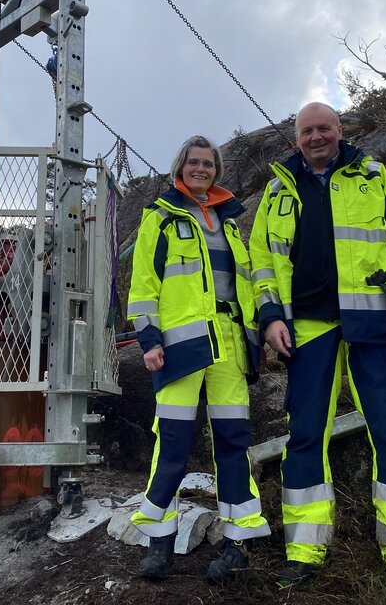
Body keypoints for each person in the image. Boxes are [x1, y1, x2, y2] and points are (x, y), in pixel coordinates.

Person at [249, 103, 386, 603]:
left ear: (339, 131)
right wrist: (271, 319)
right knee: (305, 435)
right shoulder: (278, 190)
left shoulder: (373, 176)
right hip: (306, 328)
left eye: (323, 128)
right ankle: (304, 553)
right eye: (307, 131)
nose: (316, 137)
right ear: (296, 139)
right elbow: (261, 262)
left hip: (376, 323)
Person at [127, 135, 270, 584]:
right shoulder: (161, 218)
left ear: (217, 170)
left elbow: (244, 287)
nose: (201, 169)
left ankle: (237, 543)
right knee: (171, 444)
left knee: (233, 442)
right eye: (194, 162)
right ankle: (159, 543)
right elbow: (144, 285)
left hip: (228, 346)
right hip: (179, 349)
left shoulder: (230, 224)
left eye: (208, 163)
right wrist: (149, 340)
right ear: (180, 168)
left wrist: (256, 340)